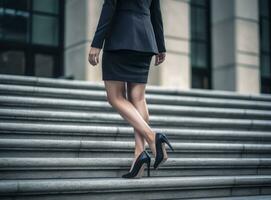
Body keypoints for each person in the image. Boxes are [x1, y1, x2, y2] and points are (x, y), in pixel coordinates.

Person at [88, 0, 174, 179]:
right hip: (145, 38)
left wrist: (97, 42)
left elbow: (110, 6)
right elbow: (156, 11)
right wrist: (160, 44)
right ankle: (139, 155)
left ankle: (153, 137)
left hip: (121, 36)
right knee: (138, 98)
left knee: (115, 97)